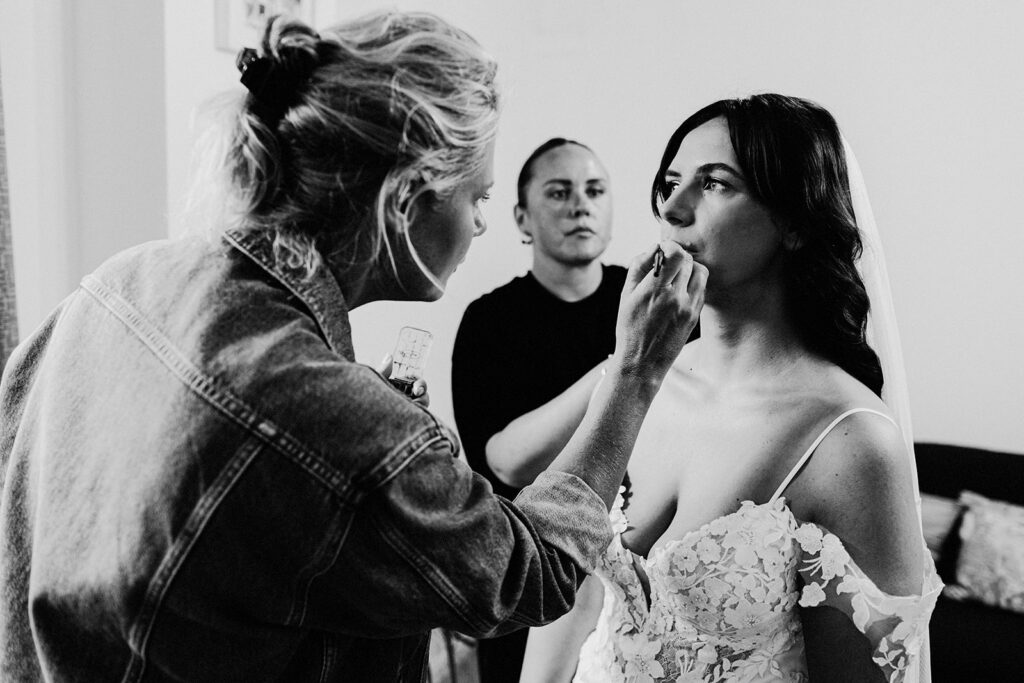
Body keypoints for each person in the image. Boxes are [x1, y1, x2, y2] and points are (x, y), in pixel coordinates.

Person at [0, 12, 706, 682]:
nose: (482, 226)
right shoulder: (332, 411)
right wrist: (635, 369)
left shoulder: (121, 278)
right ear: (406, 201)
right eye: (477, 198)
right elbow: (532, 575)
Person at [519, 94, 943, 683]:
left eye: (715, 184)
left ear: (794, 223)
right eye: (670, 183)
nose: (672, 207)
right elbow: (568, 581)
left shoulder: (849, 440)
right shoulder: (642, 380)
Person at [451, 139, 624, 682]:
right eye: (559, 192)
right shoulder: (489, 322)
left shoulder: (637, 297)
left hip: (635, 569)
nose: (581, 205)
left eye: (594, 190)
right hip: (529, 578)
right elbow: (504, 463)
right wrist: (625, 368)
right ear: (523, 218)